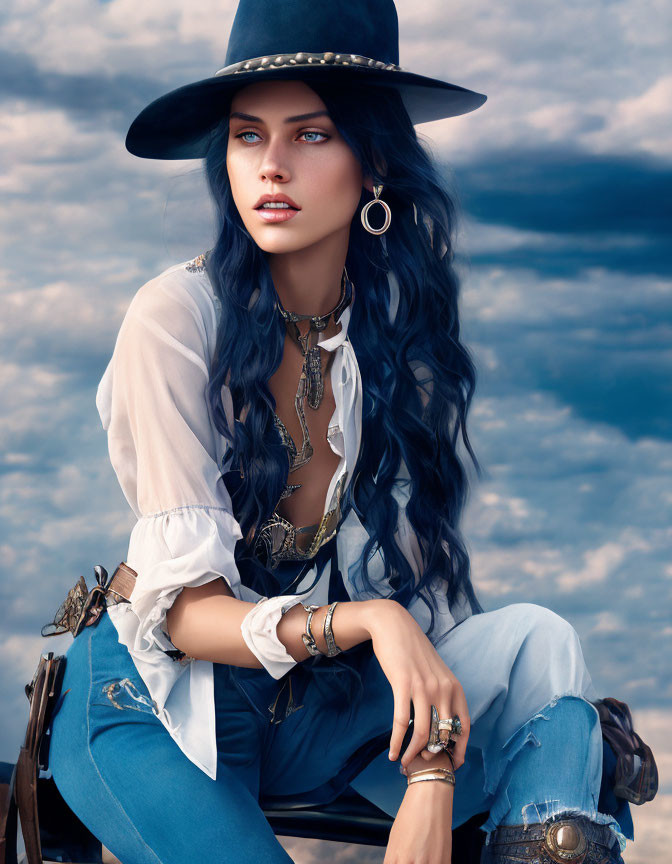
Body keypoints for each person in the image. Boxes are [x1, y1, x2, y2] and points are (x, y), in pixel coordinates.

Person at [46, 1, 633, 862]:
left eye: (311, 135)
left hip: (316, 716)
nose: (270, 167)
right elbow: (189, 617)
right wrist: (376, 624)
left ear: (375, 161)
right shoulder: (175, 317)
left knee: (543, 645)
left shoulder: (394, 345)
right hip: (158, 703)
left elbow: (419, 606)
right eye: (248, 137)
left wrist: (433, 775)